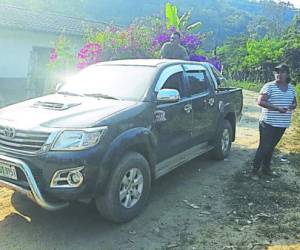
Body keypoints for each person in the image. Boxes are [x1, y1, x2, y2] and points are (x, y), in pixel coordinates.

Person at [252, 64, 297, 179]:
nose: (279, 74)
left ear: (287, 74)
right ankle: (254, 171)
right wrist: (277, 108)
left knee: (271, 147)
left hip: (282, 123)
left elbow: (294, 102)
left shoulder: (291, 88)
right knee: (264, 147)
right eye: (277, 72)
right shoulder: (269, 86)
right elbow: (260, 101)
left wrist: (292, 106)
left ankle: (266, 169)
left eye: (282, 72)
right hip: (268, 123)